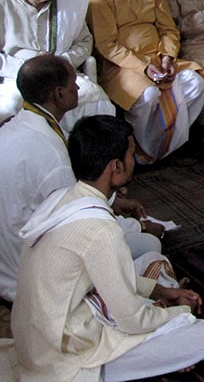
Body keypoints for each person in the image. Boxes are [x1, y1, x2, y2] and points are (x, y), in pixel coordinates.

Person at [11, 115, 204, 381]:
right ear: (116, 167)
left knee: (151, 256)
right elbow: (131, 320)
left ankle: (164, 331)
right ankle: (155, 355)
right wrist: (180, 311)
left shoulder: (65, 198)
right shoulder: (102, 231)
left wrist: (161, 291)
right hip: (66, 355)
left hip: (41, 334)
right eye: (131, 155)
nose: (133, 162)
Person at [0, 55, 162, 303]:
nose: (77, 88)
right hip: (29, 278)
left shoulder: (15, 128)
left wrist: (113, 201)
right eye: (73, 83)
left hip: (7, 263)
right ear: (59, 94)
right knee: (149, 245)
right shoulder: (51, 154)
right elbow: (80, 227)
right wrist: (138, 226)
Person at [88, 0, 204, 164]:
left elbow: (169, 30)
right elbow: (107, 45)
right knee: (148, 95)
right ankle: (143, 151)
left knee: (196, 83)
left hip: (159, 59)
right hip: (122, 67)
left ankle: (164, 147)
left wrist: (167, 58)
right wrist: (144, 67)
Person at [0, 0, 115, 131]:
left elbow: (84, 41)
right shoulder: (3, 4)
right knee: (11, 106)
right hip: (15, 78)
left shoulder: (70, 3)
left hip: (62, 73)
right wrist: (28, 67)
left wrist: (62, 62)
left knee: (97, 98)